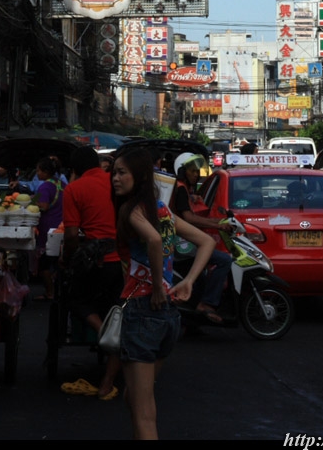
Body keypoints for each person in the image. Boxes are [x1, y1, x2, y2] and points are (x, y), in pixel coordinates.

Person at [112, 145, 215, 440]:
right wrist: (188, 281)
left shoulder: (131, 211)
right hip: (167, 316)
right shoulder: (162, 210)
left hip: (142, 309)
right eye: (114, 173)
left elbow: (154, 241)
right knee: (134, 398)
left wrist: (157, 286)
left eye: (121, 173)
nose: (115, 178)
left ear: (140, 177)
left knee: (144, 413)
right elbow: (206, 242)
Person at [60, 146, 123, 401]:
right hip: (122, 261)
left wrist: (68, 260)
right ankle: (107, 382)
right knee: (117, 315)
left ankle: (104, 333)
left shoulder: (74, 189)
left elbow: (71, 235)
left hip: (96, 261)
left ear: (75, 169)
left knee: (77, 301)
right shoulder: (116, 182)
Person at [170, 152, 233, 323]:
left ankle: (194, 321)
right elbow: (189, 218)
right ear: (182, 171)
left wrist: (216, 221)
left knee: (201, 281)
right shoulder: (180, 189)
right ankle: (208, 304)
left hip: (184, 242)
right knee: (224, 260)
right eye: (192, 171)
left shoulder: (185, 189)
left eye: (197, 171)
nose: (196, 174)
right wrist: (218, 225)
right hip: (183, 244)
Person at [33, 156, 65, 301]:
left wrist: (32, 202)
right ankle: (58, 290)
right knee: (58, 261)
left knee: (44, 264)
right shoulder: (62, 184)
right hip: (62, 227)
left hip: (48, 230)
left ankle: (50, 292)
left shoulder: (45, 186)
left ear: (45, 172)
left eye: (38, 171)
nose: (37, 173)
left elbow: (44, 206)